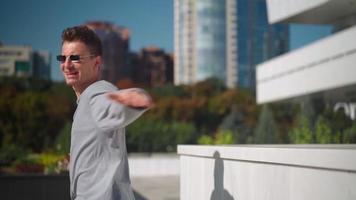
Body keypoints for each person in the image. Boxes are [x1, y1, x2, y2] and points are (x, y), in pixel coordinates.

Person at [58, 25, 153, 200]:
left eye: (75, 58)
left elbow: (113, 105)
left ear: (97, 63)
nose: (67, 65)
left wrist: (136, 99)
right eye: (62, 58)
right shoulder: (84, 102)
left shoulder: (97, 94)